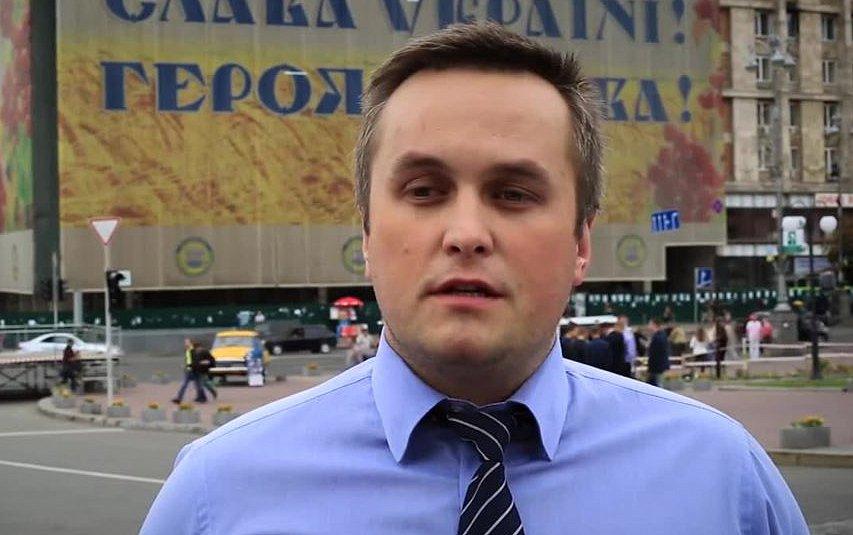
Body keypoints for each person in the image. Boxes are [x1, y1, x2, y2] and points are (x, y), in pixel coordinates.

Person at [142, 23, 806, 534]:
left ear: (580, 243)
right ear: (367, 235)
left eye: (513, 193)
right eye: (424, 190)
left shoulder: (720, 477)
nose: (466, 233)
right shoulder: (216, 494)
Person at [171, 338, 207, 404]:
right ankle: (179, 398)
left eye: (187, 342)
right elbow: (188, 360)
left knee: (197, 385)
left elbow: (196, 361)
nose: (185, 344)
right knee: (189, 384)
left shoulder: (194, 350)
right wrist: (185, 366)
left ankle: (202, 397)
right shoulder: (187, 350)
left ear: (191, 343)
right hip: (189, 370)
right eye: (185, 342)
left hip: (195, 370)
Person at [646, 318, 671, 387]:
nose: (648, 326)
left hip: (657, 367)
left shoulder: (658, 337)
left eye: (649, 324)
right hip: (657, 366)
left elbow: (656, 353)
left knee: (658, 385)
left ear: (654, 325)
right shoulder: (661, 335)